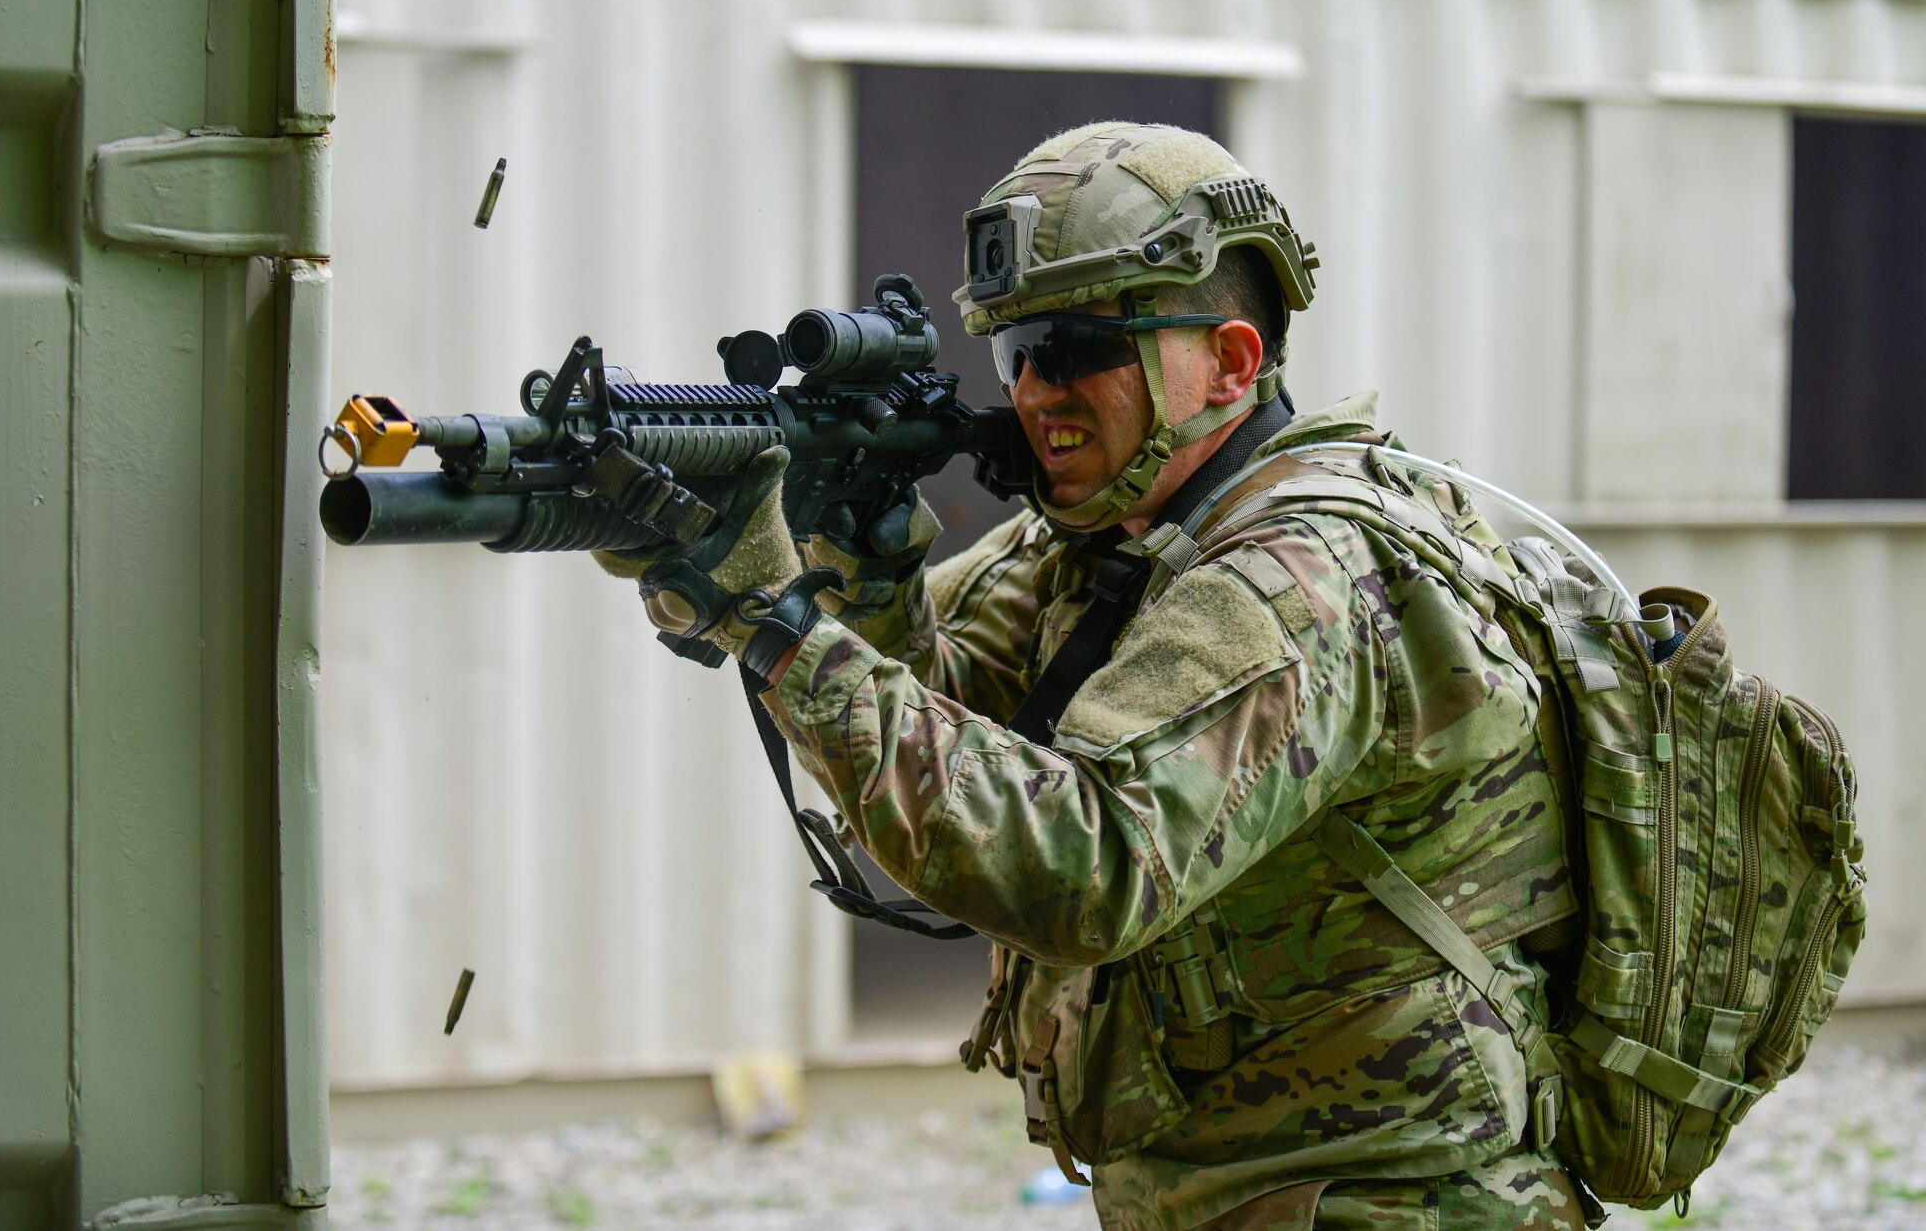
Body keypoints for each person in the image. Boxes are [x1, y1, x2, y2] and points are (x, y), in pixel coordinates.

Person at [598, 122, 1584, 1229]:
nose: (1032, 395)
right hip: (1229, 1191)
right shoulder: (1109, 534)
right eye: (1016, 357)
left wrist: (776, 624)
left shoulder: (1298, 574)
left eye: (1073, 351)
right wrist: (855, 580)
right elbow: (960, 733)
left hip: (1388, 1202)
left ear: (1230, 361)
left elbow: (1080, 865)